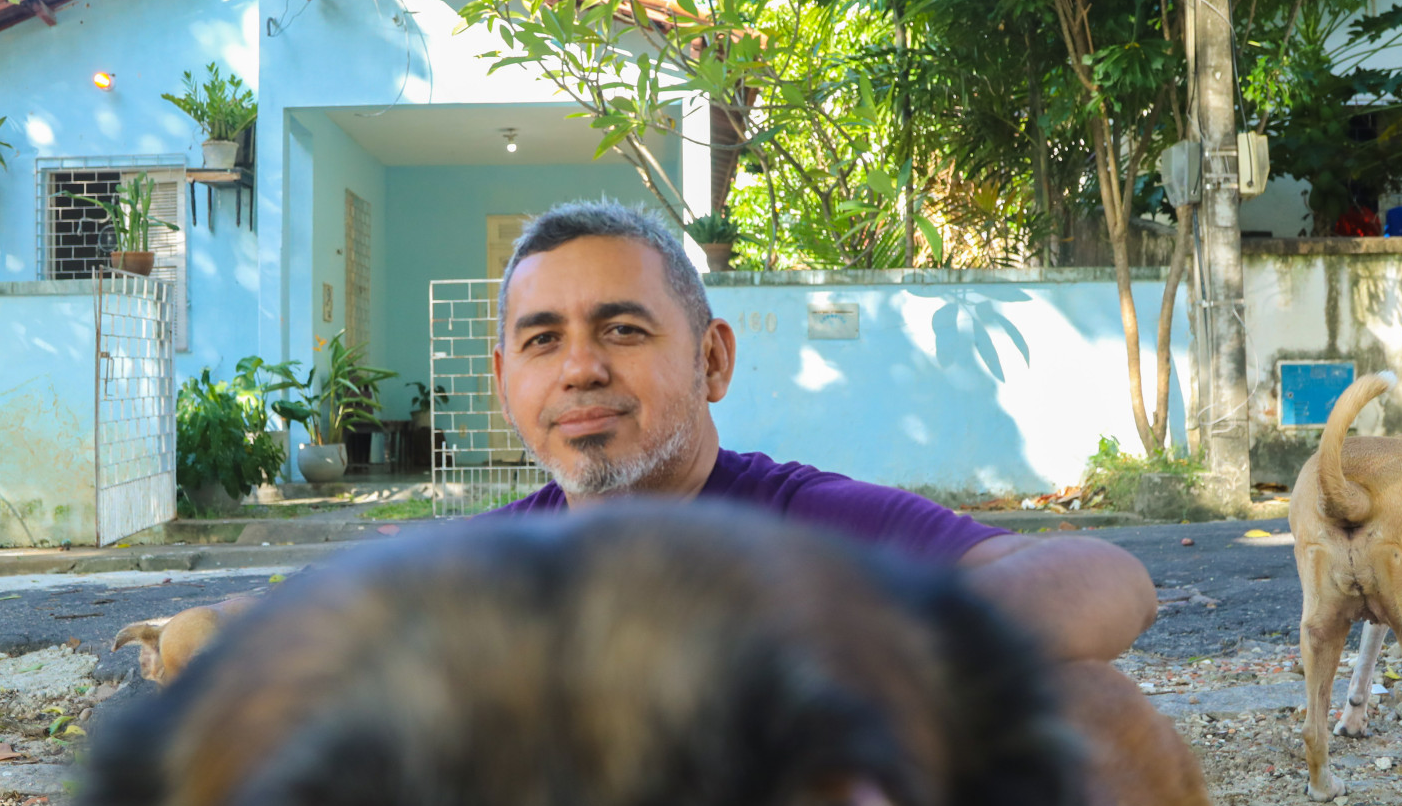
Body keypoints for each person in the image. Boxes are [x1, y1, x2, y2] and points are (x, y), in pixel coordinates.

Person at [486, 200, 1157, 663]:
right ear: (503, 381)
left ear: (711, 359)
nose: (580, 368)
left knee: (1087, 696)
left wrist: (868, 652)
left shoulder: (815, 529)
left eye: (623, 330)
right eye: (542, 340)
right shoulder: (478, 568)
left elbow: (1110, 580)